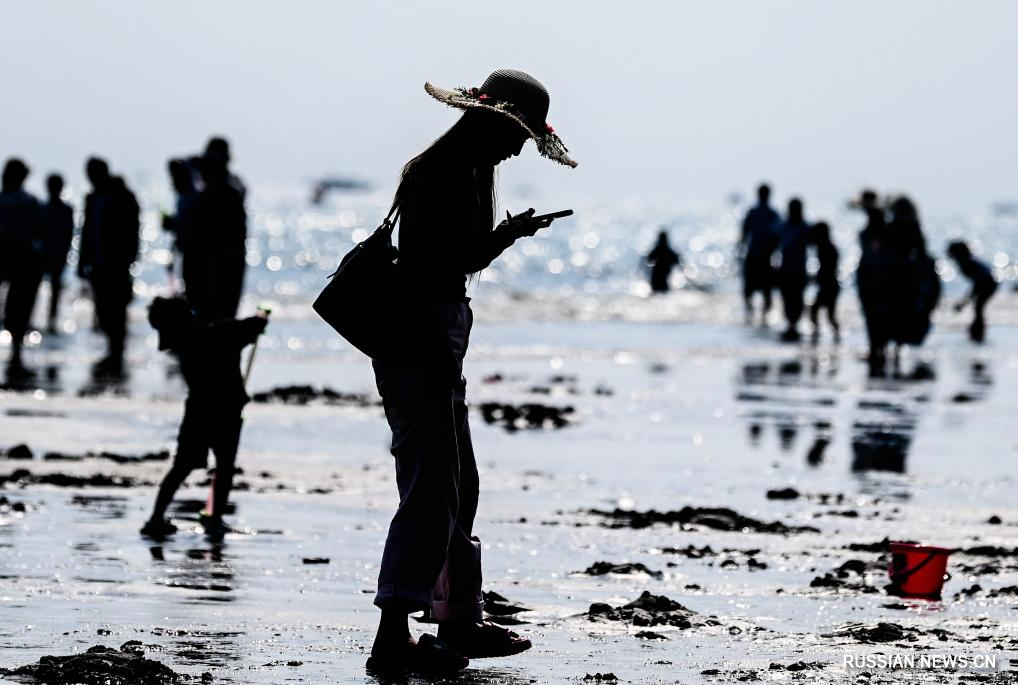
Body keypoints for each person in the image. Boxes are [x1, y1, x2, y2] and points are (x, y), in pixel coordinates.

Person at [365, 69, 575, 676]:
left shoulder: (461, 169)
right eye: (518, 134)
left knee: (459, 484)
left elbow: (447, 259)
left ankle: (458, 618)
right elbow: (444, 261)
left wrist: (506, 231)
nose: (519, 148)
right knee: (432, 490)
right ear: (493, 123)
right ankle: (392, 635)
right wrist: (506, 235)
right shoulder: (446, 173)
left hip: (434, 334)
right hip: (422, 335)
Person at [141, 296, 267, 539]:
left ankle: (156, 517)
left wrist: (254, 325)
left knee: (182, 466)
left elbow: (245, 329)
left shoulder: (184, 342)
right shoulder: (221, 334)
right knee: (224, 466)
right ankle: (214, 517)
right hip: (225, 411)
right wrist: (261, 318)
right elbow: (250, 326)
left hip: (198, 411)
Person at [79, 158, 140, 373]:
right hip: (98, 262)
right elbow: (87, 231)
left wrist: (130, 258)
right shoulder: (93, 197)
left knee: (116, 308)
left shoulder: (123, 196)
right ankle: (113, 350)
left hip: (116, 262)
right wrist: (82, 260)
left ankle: (117, 352)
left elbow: (132, 230)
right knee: (104, 308)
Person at [184, 148, 247, 322]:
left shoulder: (212, 196)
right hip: (226, 266)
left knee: (213, 318)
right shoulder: (230, 192)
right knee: (221, 319)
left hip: (215, 267)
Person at [0, 159, 46, 377]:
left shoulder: (16, 201)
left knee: (16, 308)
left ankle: (16, 353)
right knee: (19, 308)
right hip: (22, 256)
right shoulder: (28, 201)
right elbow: (40, 231)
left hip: (13, 255)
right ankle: (16, 353)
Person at [739, 183, 780, 322]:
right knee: (755, 286)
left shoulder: (766, 213)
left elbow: (745, 232)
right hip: (758, 254)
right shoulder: (761, 212)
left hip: (762, 255)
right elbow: (745, 231)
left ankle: (760, 315)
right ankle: (754, 313)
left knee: (761, 287)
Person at [42, 174, 75, 333]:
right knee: (50, 290)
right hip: (44, 255)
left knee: (55, 290)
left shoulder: (63, 210)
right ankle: (48, 322)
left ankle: (51, 321)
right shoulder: (44, 208)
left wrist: (63, 254)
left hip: (56, 254)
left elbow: (68, 235)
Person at [947, 241, 998, 342]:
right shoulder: (968, 262)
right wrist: (965, 301)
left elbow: (978, 283)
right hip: (989, 282)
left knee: (978, 307)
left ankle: (977, 334)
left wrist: (963, 302)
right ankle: (977, 333)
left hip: (988, 282)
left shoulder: (967, 264)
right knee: (978, 307)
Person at [162, 158, 199, 290]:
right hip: (185, 252)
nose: (173, 181)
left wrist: (174, 224)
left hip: (195, 254)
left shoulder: (193, 198)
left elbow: (192, 228)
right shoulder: (183, 198)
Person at [777, 197, 810, 341]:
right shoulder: (783, 226)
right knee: (787, 298)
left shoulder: (805, 227)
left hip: (799, 269)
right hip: (785, 268)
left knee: (797, 299)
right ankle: (791, 325)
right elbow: (774, 244)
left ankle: (794, 325)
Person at [809, 221, 840, 341]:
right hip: (830, 285)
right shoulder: (825, 247)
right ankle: (833, 334)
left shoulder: (827, 248)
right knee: (828, 314)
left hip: (830, 286)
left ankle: (818, 334)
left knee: (820, 311)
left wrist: (817, 277)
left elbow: (828, 269)